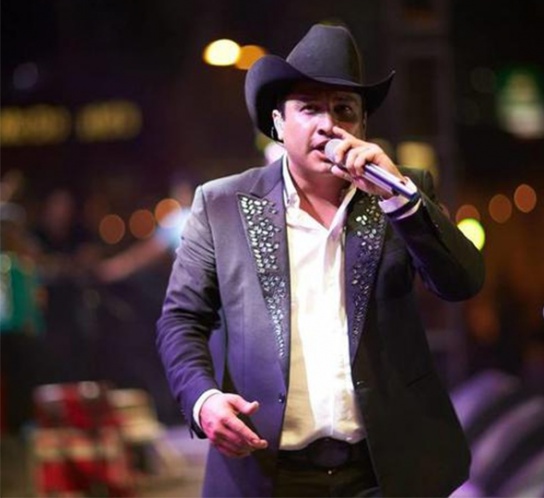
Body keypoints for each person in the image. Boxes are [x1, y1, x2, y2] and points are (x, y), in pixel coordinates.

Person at [156, 23, 485, 497]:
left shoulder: (401, 194)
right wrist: (204, 400)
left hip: (383, 471)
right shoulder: (222, 205)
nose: (328, 124)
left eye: (343, 109)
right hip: (268, 472)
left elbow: (462, 282)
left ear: (362, 127)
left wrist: (399, 197)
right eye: (309, 108)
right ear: (278, 123)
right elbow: (181, 320)